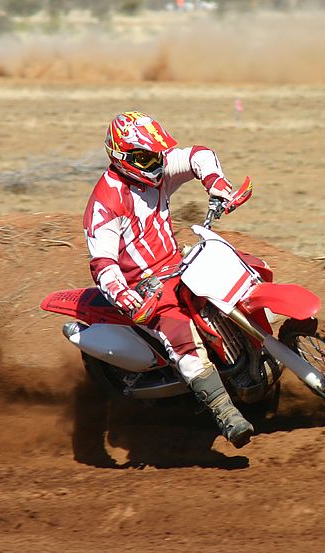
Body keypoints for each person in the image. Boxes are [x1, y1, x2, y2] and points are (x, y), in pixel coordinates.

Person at [82, 111, 255, 448]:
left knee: (241, 274)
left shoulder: (155, 171)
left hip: (179, 266)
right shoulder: (105, 204)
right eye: (147, 157)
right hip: (144, 288)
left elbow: (197, 155)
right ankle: (225, 413)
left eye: (158, 155)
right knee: (181, 337)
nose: (157, 163)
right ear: (122, 157)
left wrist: (216, 183)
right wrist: (124, 295)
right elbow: (103, 262)